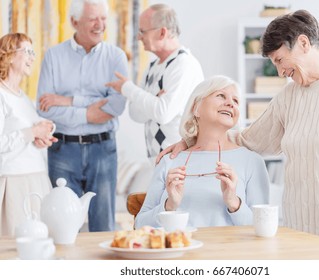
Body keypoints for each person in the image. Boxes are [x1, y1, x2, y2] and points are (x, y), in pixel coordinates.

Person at [158, 10, 319, 250]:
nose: (280, 72)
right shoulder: (288, 97)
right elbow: (248, 140)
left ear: (303, 43)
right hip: (299, 232)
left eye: (279, 60)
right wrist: (192, 140)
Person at [36, 0, 128, 232]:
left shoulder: (116, 57)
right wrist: (91, 112)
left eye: (103, 19)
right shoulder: (54, 56)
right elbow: (45, 108)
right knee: (63, 225)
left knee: (103, 225)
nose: (100, 25)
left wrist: (68, 101)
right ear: (74, 22)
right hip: (63, 149)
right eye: (92, 19)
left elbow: (115, 107)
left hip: (103, 149)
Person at [135, 75, 270, 229]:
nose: (230, 104)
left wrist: (234, 203)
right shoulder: (170, 160)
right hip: (179, 250)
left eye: (236, 101)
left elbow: (263, 227)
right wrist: (169, 206)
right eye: (221, 95)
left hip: (229, 252)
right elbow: (140, 224)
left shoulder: (252, 161)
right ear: (196, 108)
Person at [106, 3, 204, 162]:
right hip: (160, 160)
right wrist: (154, 99)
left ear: (162, 32)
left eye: (142, 31)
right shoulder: (153, 66)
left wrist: (127, 88)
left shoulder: (184, 65)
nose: (138, 37)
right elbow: (135, 113)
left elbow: (163, 114)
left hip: (181, 159)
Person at [0, 33, 57, 236]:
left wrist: (40, 137)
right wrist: (32, 131)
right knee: (15, 247)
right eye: (28, 51)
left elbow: (23, 136)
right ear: (9, 54)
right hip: (13, 181)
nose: (33, 57)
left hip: (36, 178)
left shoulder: (23, 97)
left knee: (40, 245)